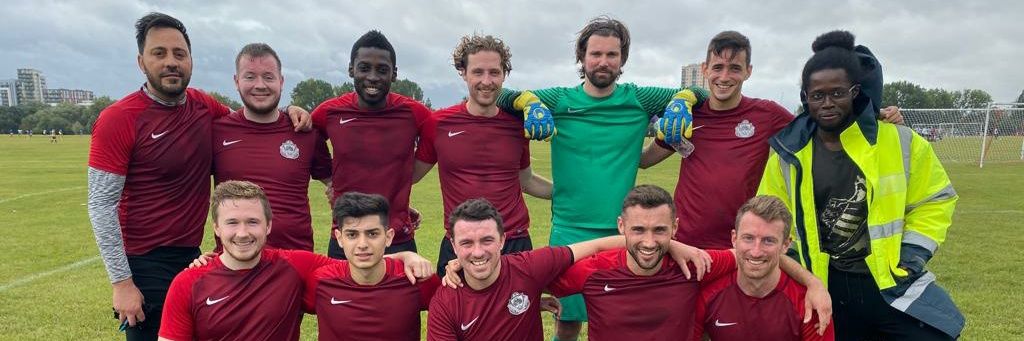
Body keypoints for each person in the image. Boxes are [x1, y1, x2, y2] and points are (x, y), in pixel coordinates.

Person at [87, 12, 310, 340]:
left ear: (190, 60)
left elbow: (249, 119)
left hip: (194, 257)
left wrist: (289, 111)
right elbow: (100, 204)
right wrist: (122, 283)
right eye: (159, 53)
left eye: (179, 54)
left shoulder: (202, 105)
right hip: (145, 262)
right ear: (141, 62)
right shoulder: (118, 118)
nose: (171, 62)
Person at [493, 17, 705, 339]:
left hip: (624, 231)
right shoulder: (560, 99)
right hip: (570, 229)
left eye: (612, 54)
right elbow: (499, 94)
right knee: (567, 320)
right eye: (595, 54)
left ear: (622, 59)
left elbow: (700, 91)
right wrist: (528, 101)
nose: (603, 61)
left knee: (620, 317)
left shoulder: (640, 98)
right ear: (582, 56)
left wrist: (684, 99)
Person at [758, 30, 962, 340]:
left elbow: (936, 199)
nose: (828, 103)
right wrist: (802, 275)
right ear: (805, 98)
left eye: (838, 93)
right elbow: (768, 221)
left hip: (890, 281)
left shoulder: (901, 141)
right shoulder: (787, 156)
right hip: (825, 284)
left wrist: (912, 254)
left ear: (855, 92)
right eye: (818, 95)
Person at [640, 31, 903, 250]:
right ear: (705, 69)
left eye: (735, 68)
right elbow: (645, 161)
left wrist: (873, 113)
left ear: (748, 71)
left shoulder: (766, 114)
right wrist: (626, 133)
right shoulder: (688, 115)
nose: (725, 76)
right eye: (718, 67)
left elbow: (822, 127)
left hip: (744, 246)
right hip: (685, 243)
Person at [546, 185, 830, 341]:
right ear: (621, 226)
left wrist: (813, 283)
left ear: (675, 228)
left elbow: (752, 257)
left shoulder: (694, 264)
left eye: (660, 230)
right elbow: (530, 280)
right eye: (638, 230)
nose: (649, 242)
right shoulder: (594, 270)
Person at [160, 182, 432, 341]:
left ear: (268, 226)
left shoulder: (294, 266)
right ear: (216, 228)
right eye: (232, 223)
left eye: (253, 222)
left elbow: (359, 261)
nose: (242, 233)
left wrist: (405, 256)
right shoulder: (188, 282)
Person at [427, 198, 710, 341]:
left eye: (487, 240)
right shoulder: (445, 302)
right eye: (467, 243)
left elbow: (598, 245)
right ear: (453, 245)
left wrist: (670, 245)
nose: (478, 252)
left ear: (502, 240)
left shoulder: (529, 268)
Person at [413, 34, 552, 275]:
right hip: (463, 244)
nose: (486, 81)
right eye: (478, 72)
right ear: (463, 73)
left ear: (504, 75)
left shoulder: (517, 124)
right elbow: (410, 175)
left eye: (494, 72)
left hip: (513, 241)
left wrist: (570, 194)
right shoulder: (438, 124)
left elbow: (525, 180)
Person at [312, 30, 431, 259]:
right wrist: (330, 180)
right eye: (364, 68)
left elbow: (436, 142)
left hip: (397, 238)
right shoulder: (330, 112)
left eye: (382, 70)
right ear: (351, 69)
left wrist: (404, 179)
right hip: (346, 237)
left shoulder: (414, 113)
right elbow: (305, 137)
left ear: (394, 74)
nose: (373, 77)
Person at [212, 43, 332, 251]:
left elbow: (337, 183)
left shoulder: (305, 132)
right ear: (236, 81)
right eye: (250, 77)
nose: (260, 85)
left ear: (281, 82)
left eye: (268, 77)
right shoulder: (216, 131)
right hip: (235, 261)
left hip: (295, 261)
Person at [694, 195, 834, 340]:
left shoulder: (810, 305)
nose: (756, 252)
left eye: (768, 241)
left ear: (785, 245)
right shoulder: (708, 295)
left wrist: (814, 283)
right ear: (734, 238)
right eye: (748, 238)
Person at [305, 192, 440, 341]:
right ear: (339, 238)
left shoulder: (415, 279)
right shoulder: (320, 282)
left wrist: (454, 267)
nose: (362, 244)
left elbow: (455, 307)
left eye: (372, 234)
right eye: (352, 235)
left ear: (388, 237)